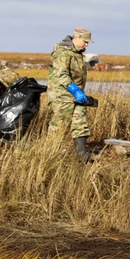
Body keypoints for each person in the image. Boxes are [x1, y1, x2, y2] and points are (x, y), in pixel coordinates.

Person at [48, 27, 95, 162]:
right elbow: (61, 74)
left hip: (76, 96)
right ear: (77, 38)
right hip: (61, 96)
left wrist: (78, 93)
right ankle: (50, 155)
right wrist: (75, 90)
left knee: (81, 123)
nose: (86, 44)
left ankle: (82, 155)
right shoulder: (62, 53)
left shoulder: (77, 53)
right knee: (60, 126)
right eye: (85, 41)